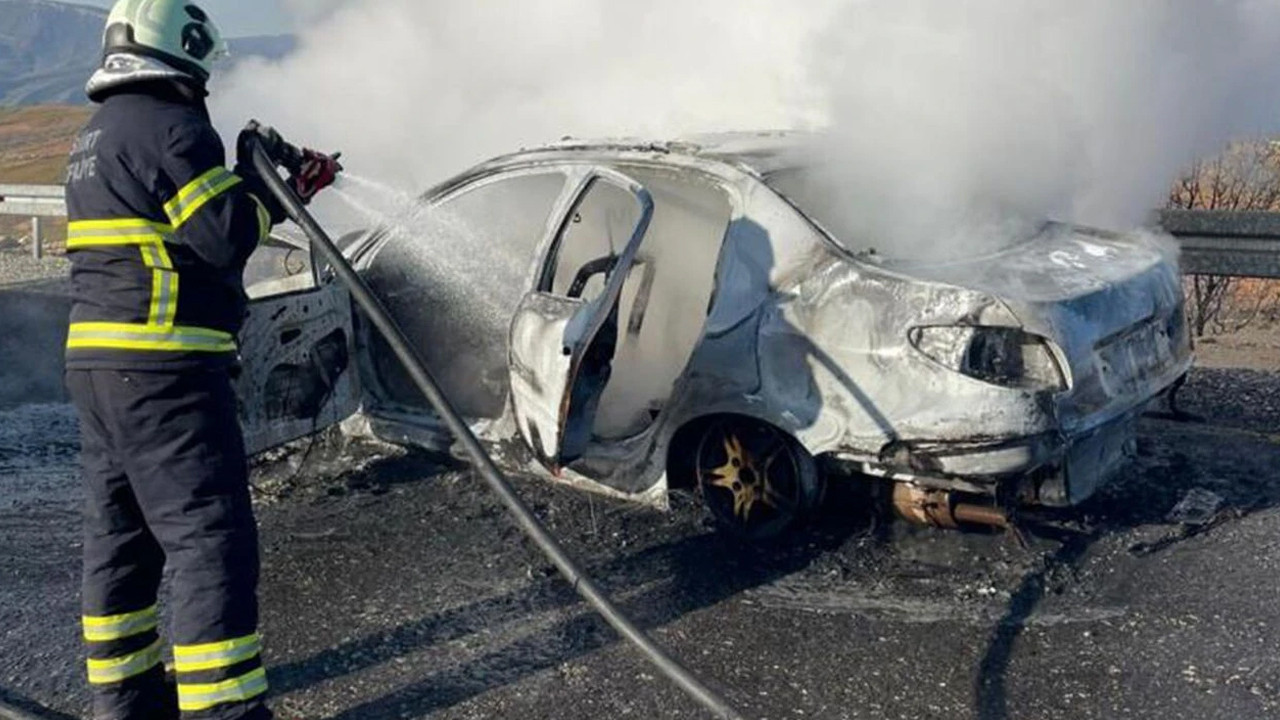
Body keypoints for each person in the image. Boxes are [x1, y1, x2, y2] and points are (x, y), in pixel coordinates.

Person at [63, 2, 341, 718]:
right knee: (208, 538)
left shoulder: (96, 133)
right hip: (165, 369)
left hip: (99, 368)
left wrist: (264, 185)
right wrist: (267, 186)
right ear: (181, 51)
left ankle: (126, 701)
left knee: (121, 538)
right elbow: (224, 236)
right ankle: (225, 710)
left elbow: (183, 228)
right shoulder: (173, 127)